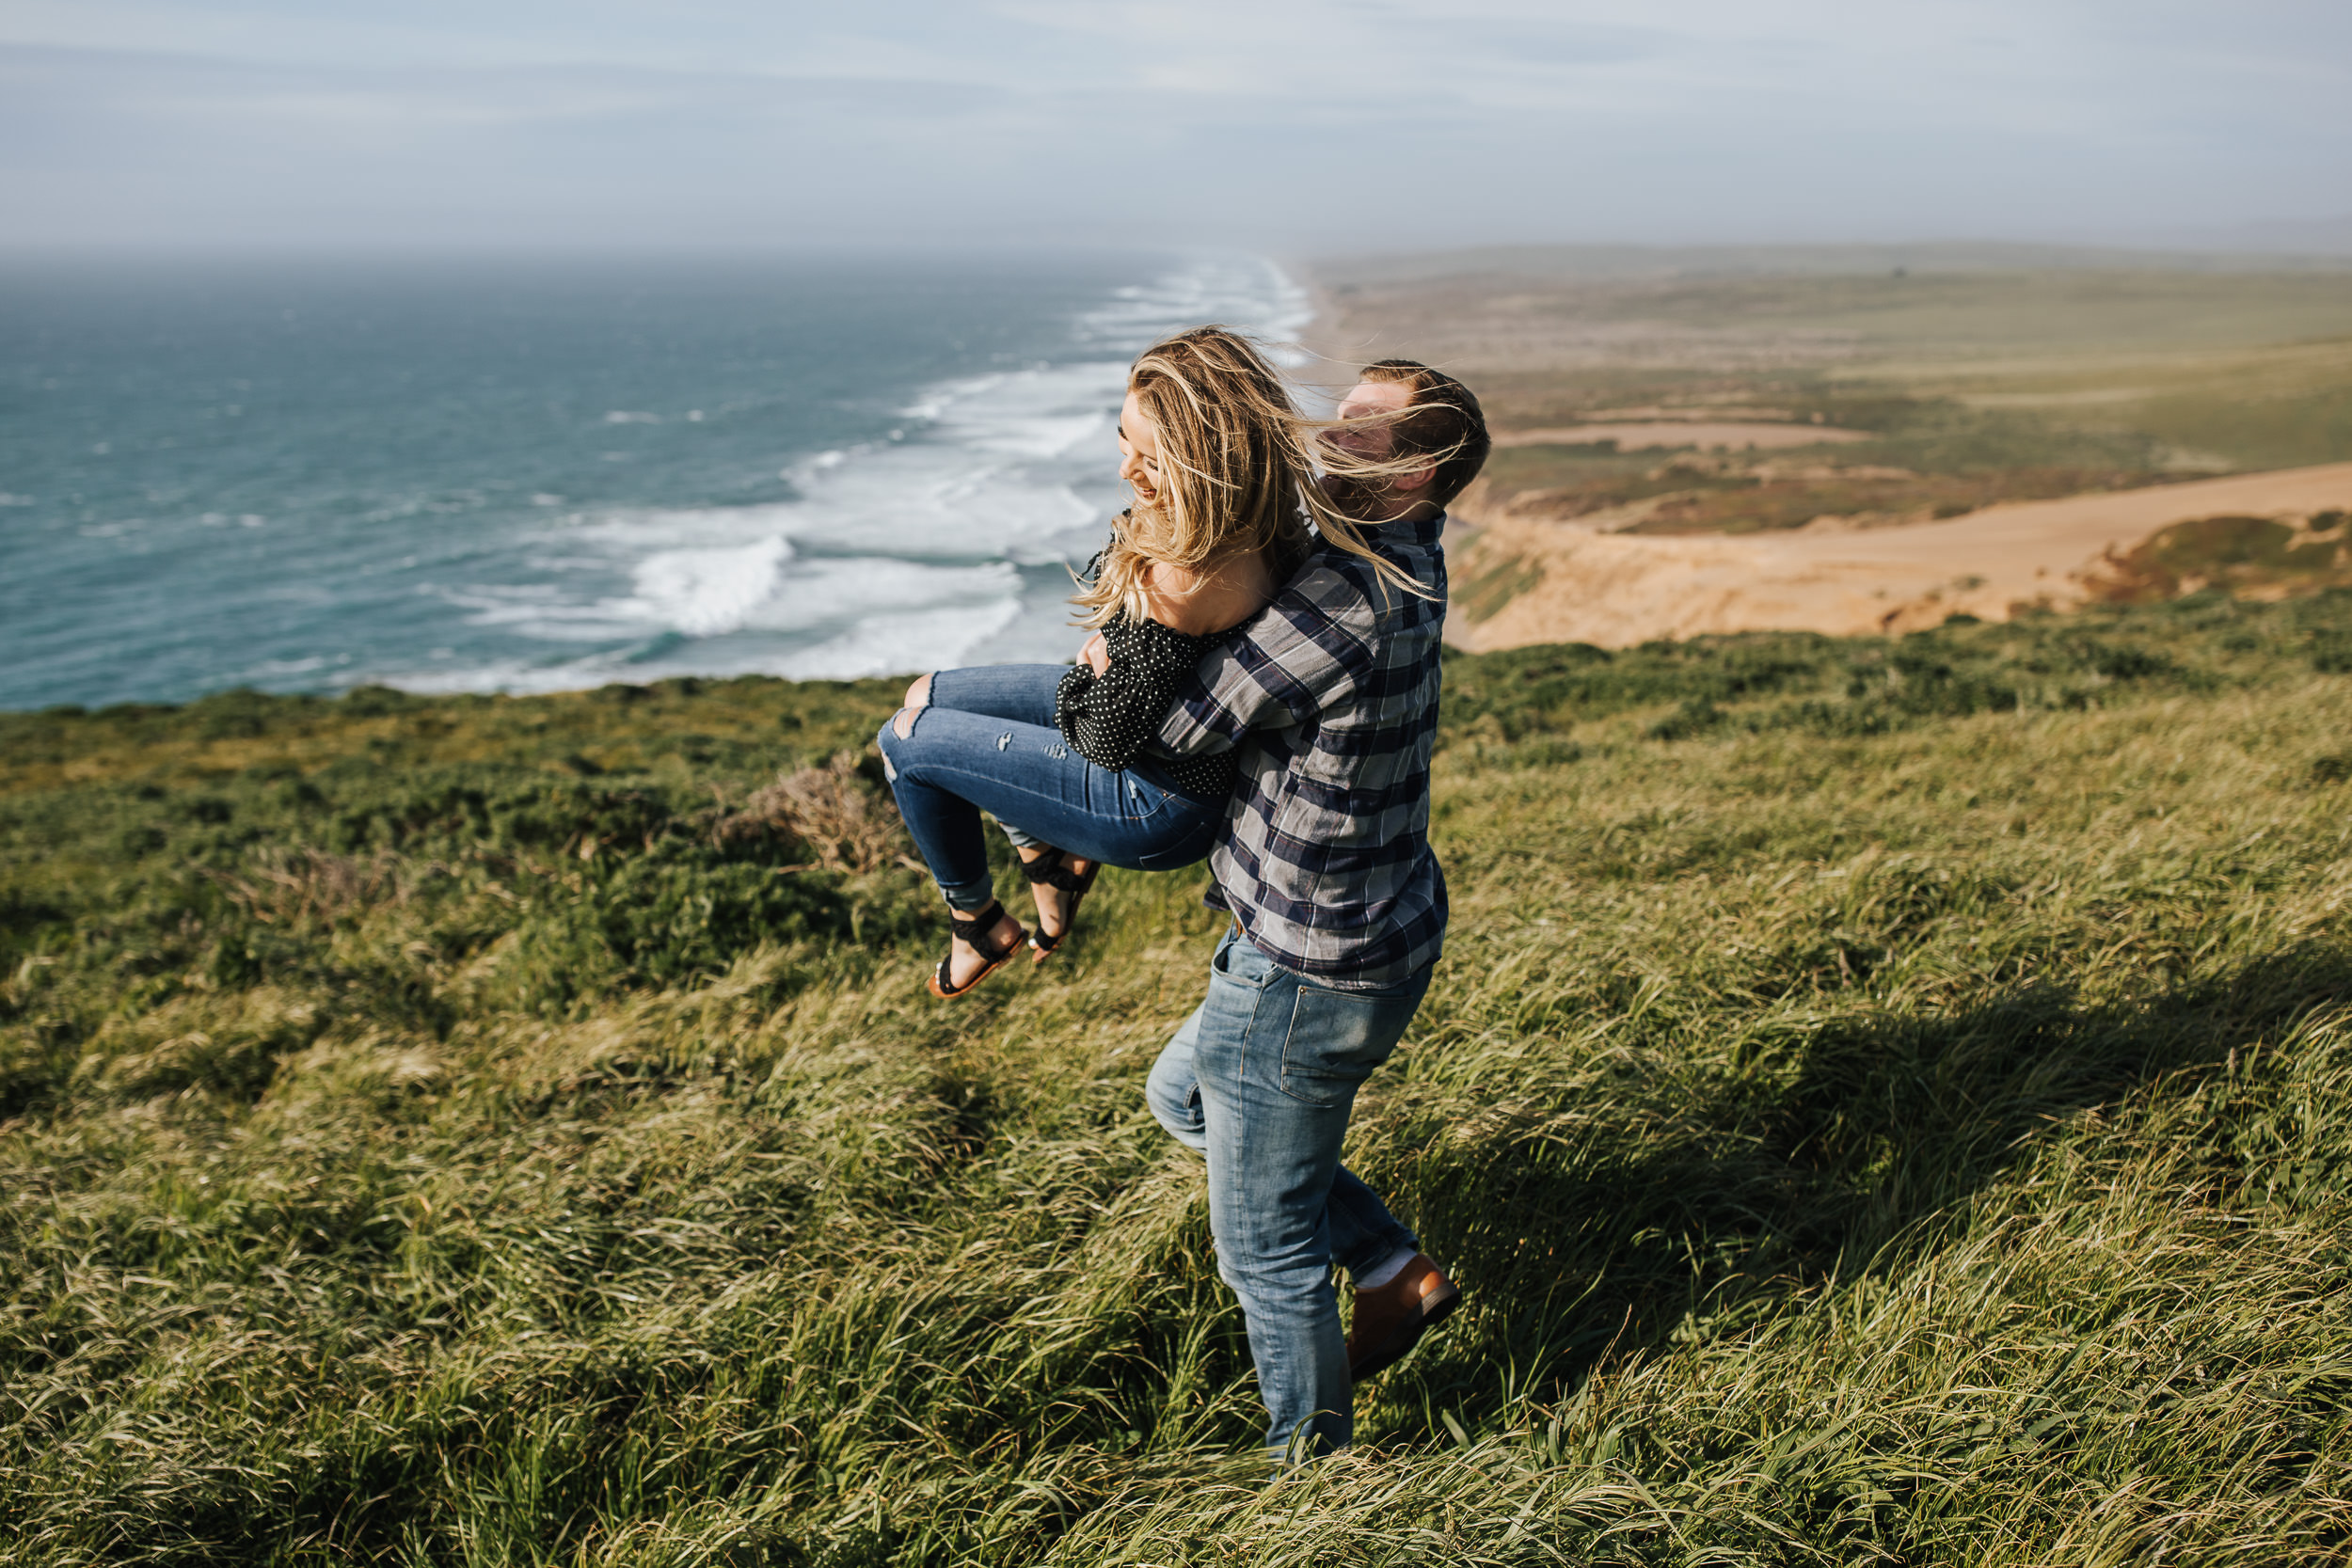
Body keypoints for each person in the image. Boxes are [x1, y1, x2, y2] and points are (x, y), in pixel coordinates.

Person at [1135, 359, 1491, 1464]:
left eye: (1362, 432)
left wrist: (1133, 619)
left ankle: (1313, 1477)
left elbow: (1180, 733)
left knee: (1264, 1251)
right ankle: (1390, 1263)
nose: (1328, 437)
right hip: (1371, 933)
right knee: (1179, 1093)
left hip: (1299, 972)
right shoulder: (1405, 561)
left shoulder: (1347, 596)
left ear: (1420, 470)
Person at [877, 326, 1319, 998]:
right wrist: (1114, 636)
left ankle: (976, 921)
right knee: (924, 693)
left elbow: (1102, 737)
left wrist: (1103, 653)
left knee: (903, 739)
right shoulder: (1257, 515)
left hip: (1154, 800)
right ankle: (1046, 862)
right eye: (1124, 441)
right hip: (1164, 733)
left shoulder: (1185, 576)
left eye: (1154, 459)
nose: (1127, 470)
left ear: (1209, 460)